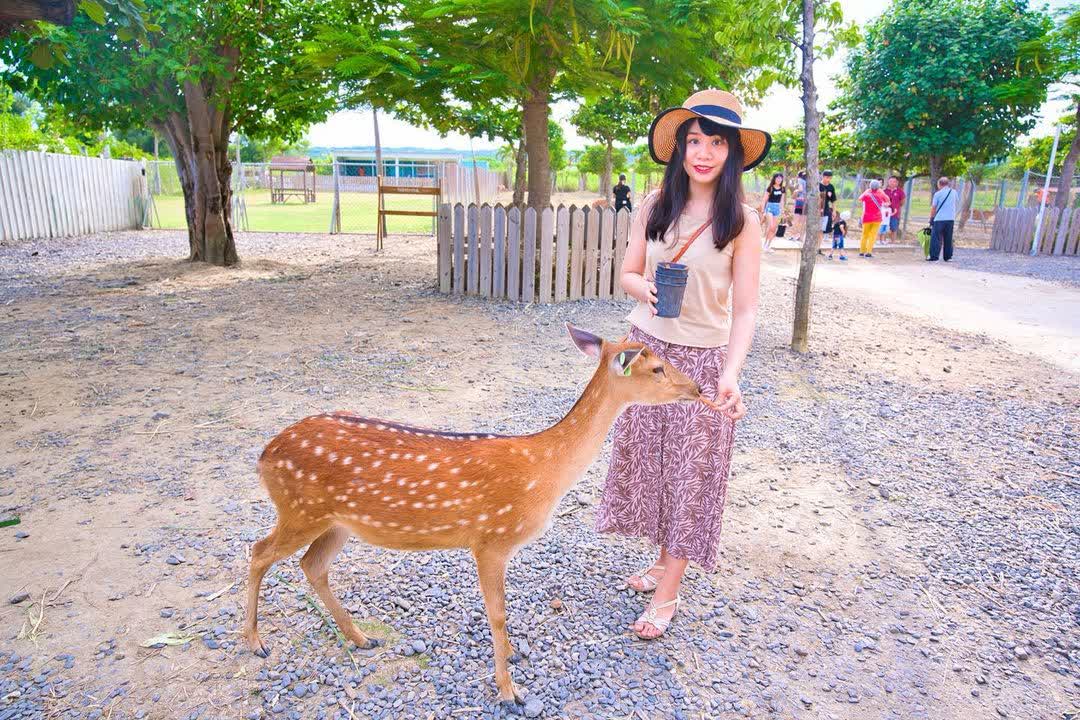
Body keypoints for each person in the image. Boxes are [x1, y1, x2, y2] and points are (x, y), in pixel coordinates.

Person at [601, 88, 767, 640]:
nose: (703, 152)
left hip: (702, 359)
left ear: (732, 153)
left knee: (692, 475)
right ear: (679, 147)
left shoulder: (742, 221)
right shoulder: (654, 205)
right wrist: (640, 286)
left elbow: (744, 310)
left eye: (716, 143)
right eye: (694, 140)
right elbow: (625, 273)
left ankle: (669, 590)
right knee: (650, 465)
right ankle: (658, 561)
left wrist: (731, 374)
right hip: (645, 350)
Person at [928, 176, 959, 262]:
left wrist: (931, 218)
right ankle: (948, 257)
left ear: (939, 184)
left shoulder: (938, 194)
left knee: (936, 238)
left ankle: (934, 257)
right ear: (948, 184)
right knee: (948, 238)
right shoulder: (954, 192)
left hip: (939, 219)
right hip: (951, 219)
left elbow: (933, 208)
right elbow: (956, 202)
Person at [857, 179, 890, 258]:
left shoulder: (867, 194)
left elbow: (860, 199)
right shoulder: (881, 193)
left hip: (867, 218)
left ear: (870, 186)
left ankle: (861, 252)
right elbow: (888, 200)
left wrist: (867, 191)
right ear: (879, 186)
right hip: (877, 218)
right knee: (872, 235)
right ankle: (868, 253)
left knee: (864, 235)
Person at [760, 173, 785, 253]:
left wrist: (782, 210)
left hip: (777, 208)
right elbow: (764, 199)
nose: (779, 180)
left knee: (774, 228)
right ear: (774, 179)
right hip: (770, 207)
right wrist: (763, 209)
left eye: (780, 178)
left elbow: (782, 200)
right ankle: (764, 244)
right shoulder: (770, 188)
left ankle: (768, 245)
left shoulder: (782, 189)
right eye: (777, 178)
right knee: (770, 226)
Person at [883, 175, 906, 244]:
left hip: (895, 213)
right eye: (890, 181)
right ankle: (883, 241)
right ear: (888, 182)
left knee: (893, 228)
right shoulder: (884, 191)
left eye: (894, 181)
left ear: (897, 183)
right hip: (885, 213)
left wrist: (897, 207)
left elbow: (902, 202)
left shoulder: (900, 191)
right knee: (884, 227)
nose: (892, 183)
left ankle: (893, 242)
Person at [790, 170, 807, 242]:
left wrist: (796, 190)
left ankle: (793, 236)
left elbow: (800, 189)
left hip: (800, 201)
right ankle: (801, 237)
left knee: (796, 220)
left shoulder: (799, 180)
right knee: (803, 221)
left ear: (798, 176)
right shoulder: (807, 182)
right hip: (807, 202)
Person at [819, 170, 836, 235]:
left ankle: (819, 244)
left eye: (830, 178)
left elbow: (833, 200)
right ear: (823, 177)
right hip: (817, 210)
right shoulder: (818, 185)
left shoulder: (831, 187)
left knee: (822, 230)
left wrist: (834, 211)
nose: (828, 179)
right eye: (827, 177)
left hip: (825, 210)